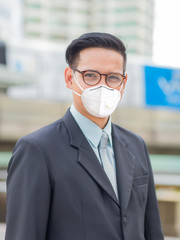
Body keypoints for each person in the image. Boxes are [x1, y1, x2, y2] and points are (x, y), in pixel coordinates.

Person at [5, 32, 164, 240]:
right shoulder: (37, 150)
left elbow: (152, 230)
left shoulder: (136, 145)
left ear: (123, 84)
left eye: (113, 77)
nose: (102, 85)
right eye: (90, 75)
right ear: (70, 78)